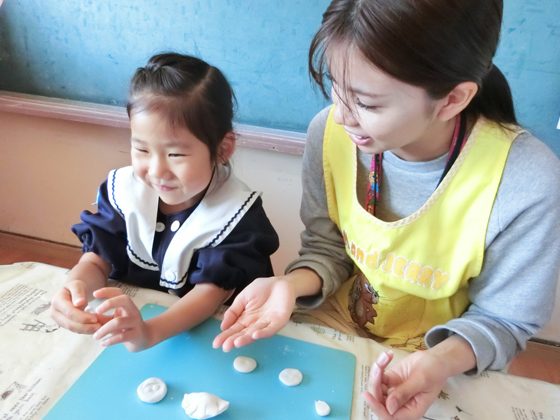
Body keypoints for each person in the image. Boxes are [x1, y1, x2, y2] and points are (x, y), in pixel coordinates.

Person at [213, 1, 560, 419]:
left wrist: (437, 363)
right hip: (339, 324)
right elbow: (327, 248)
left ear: (452, 99)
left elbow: (504, 320)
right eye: (335, 88)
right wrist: (289, 285)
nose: (341, 116)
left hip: (445, 360)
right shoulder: (329, 133)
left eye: (368, 104)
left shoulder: (524, 179)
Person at [50, 53, 279, 353]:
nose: (157, 170)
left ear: (222, 148)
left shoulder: (236, 214)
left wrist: (149, 331)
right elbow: (97, 258)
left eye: (175, 155)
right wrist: (75, 287)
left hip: (208, 339)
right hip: (129, 330)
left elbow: (210, 294)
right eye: (141, 149)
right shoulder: (124, 191)